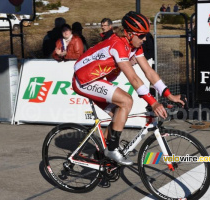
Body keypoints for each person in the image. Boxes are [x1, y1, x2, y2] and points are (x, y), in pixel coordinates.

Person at [72, 11, 184, 165]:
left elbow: (149, 72)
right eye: (141, 35)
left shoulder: (134, 45)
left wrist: (170, 95)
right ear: (129, 34)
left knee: (118, 115)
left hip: (97, 78)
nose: (145, 39)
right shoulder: (118, 45)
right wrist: (153, 102)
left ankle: (102, 160)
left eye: (146, 35)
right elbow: (133, 78)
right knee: (126, 101)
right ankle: (111, 150)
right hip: (84, 80)